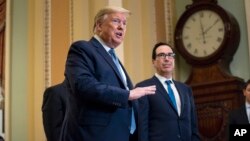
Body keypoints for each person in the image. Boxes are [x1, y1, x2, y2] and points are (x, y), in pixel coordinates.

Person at [60, 6, 156, 141]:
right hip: (93, 135)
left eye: (124, 23)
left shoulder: (114, 58)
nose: (121, 27)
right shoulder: (83, 48)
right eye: (116, 21)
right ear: (99, 26)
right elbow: (83, 85)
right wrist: (128, 94)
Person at [136, 42, 200, 141]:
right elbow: (142, 127)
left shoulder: (186, 90)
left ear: (173, 59)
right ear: (153, 61)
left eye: (170, 55)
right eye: (161, 55)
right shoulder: (144, 88)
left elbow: (193, 126)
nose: (167, 59)